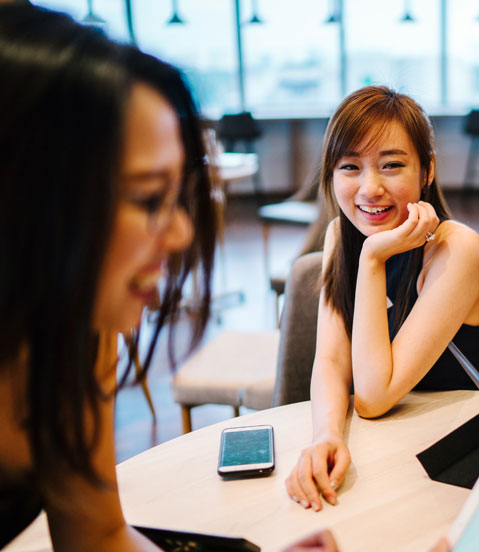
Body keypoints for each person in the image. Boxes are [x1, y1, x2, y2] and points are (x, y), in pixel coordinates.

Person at [0, 5, 336, 551]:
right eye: (147, 198)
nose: (181, 232)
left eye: (178, 195)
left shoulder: (80, 336)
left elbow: (98, 533)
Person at [285, 86, 479, 512]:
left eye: (392, 165)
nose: (370, 188)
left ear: (427, 170)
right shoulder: (341, 234)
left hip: (448, 462)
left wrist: (374, 259)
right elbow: (333, 362)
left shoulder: (456, 250)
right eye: (350, 167)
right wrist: (327, 434)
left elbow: (375, 396)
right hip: (377, 452)